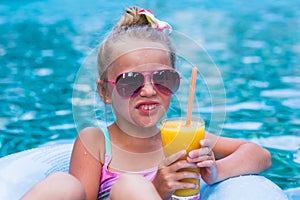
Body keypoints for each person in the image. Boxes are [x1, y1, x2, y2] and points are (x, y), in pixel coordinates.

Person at [22, 6, 271, 200]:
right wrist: (157, 189)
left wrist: (215, 171)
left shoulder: (185, 138)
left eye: (163, 79)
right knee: (66, 184)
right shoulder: (97, 143)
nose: (150, 90)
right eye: (130, 82)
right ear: (105, 91)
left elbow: (260, 154)